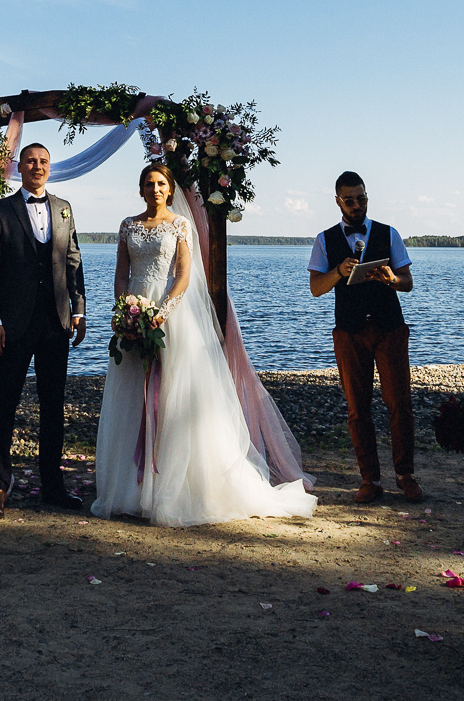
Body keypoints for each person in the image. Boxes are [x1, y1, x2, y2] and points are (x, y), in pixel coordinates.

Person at [90, 163, 316, 525]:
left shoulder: (180, 224)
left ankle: (176, 485)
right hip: (133, 313)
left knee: (176, 397)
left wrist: (162, 311)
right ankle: (132, 487)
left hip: (172, 318)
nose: (155, 189)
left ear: (170, 188)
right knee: (133, 396)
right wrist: (125, 310)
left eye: (161, 183)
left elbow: (182, 275)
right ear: (140, 189)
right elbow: (121, 274)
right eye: (148, 183)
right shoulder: (128, 225)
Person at [0, 142, 86, 518]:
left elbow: (73, 261)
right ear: (18, 167)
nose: (37, 167)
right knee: (5, 407)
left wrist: (79, 310)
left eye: (43, 162)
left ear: (49, 168)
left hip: (55, 324)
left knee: (53, 407)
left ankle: (52, 487)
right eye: (30, 161)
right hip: (12, 325)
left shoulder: (64, 209)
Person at [308, 172, 420, 504]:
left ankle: (405, 475)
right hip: (349, 332)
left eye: (362, 199)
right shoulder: (324, 240)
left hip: (389, 328)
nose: (357, 205)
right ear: (338, 201)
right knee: (358, 408)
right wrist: (338, 272)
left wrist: (390, 279)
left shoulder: (389, 233)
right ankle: (369, 479)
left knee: (400, 403)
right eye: (350, 200)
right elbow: (316, 288)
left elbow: (408, 282)